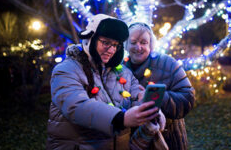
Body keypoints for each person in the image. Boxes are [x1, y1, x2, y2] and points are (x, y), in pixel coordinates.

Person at [46, 14, 163, 150]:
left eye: (115, 45)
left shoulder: (123, 72)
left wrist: (150, 111)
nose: (112, 50)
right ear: (90, 39)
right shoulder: (66, 70)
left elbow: (136, 94)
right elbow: (77, 106)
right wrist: (120, 118)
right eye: (106, 43)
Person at [124, 22, 195, 150]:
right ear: (126, 45)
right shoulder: (119, 69)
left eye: (143, 42)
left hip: (168, 140)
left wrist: (155, 96)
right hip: (133, 141)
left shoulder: (168, 63)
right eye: (133, 42)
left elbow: (188, 99)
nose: (138, 47)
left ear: (151, 44)